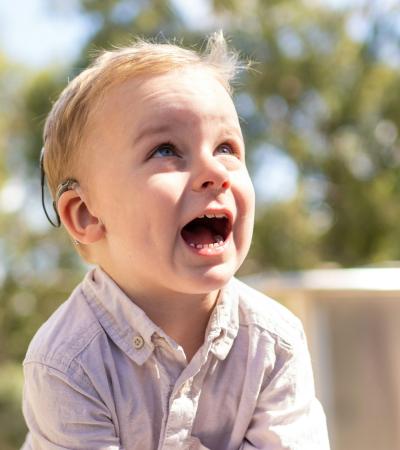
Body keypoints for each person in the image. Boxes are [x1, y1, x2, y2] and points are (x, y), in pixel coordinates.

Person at [21, 32, 330, 450]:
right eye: (166, 150)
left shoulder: (274, 343)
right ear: (88, 215)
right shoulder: (68, 364)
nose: (215, 171)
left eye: (226, 147)